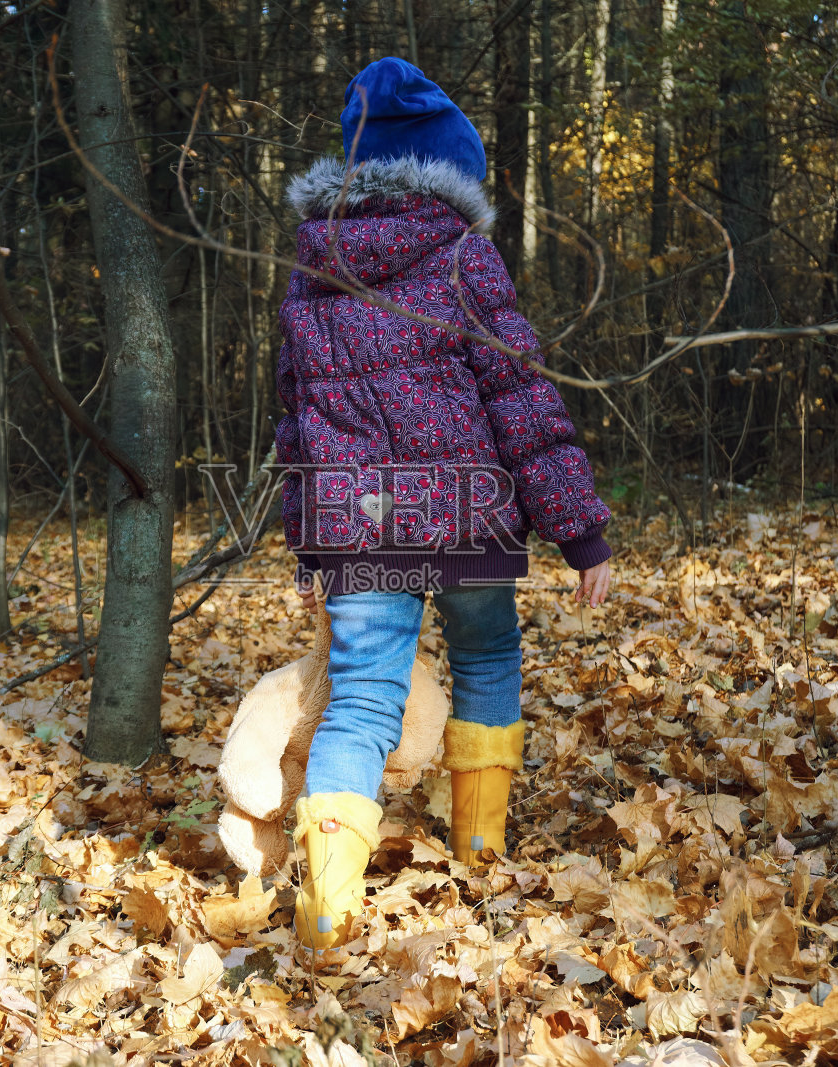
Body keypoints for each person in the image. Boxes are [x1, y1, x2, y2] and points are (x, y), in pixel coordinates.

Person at [274, 56, 613, 950]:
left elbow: (295, 423)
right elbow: (522, 397)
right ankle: (479, 846)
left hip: (360, 529)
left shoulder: (313, 271)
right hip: (469, 516)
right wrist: (581, 531)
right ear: (452, 167)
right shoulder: (466, 257)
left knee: (360, 701)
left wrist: (310, 546)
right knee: (489, 657)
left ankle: (328, 906)